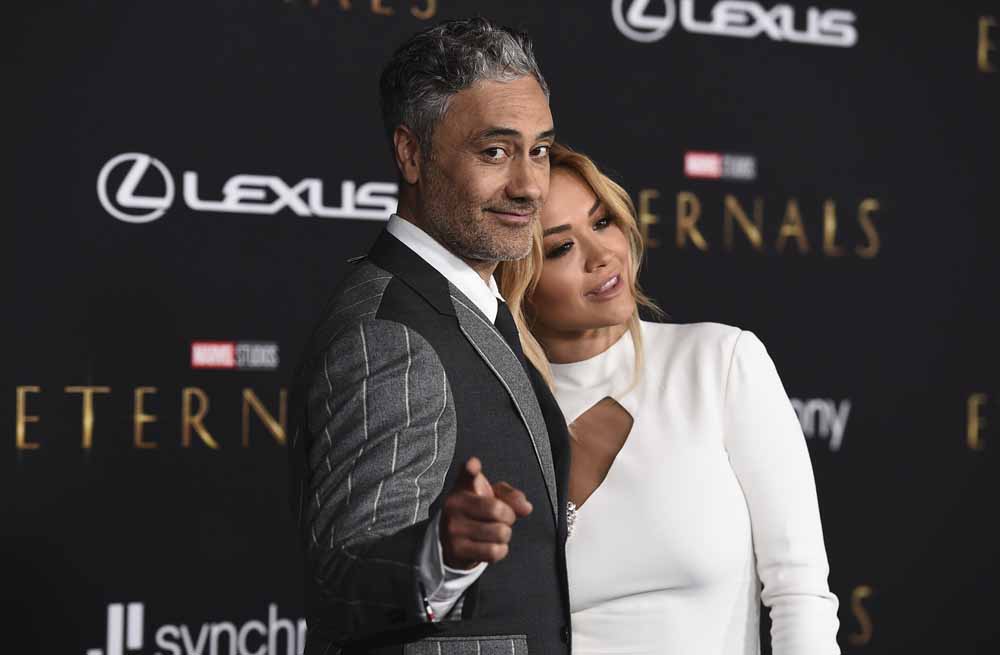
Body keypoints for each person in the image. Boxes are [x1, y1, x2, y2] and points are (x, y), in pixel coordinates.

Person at [288, 18, 573, 655]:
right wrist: (438, 553)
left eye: (539, 151)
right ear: (411, 155)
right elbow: (342, 578)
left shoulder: (474, 305)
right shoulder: (390, 336)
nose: (529, 186)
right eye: (494, 152)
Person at [496, 143, 841, 654]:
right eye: (562, 247)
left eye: (602, 222)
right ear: (516, 278)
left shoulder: (719, 363)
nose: (601, 255)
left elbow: (800, 592)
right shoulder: (498, 411)